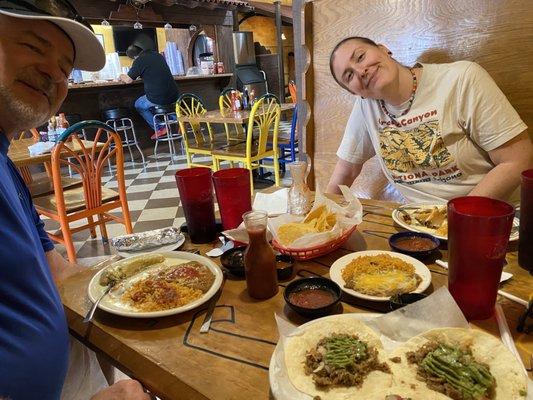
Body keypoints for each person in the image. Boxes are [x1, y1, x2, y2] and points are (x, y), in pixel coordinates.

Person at [0, 1, 150, 399]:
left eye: (66, 68)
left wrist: (132, 282)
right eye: (33, 46)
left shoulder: (6, 166)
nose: (53, 73)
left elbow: (52, 265)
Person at [326, 36, 533, 204]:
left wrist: (457, 219)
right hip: (419, 228)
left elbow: (517, 160)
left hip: (491, 220)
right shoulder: (366, 106)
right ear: (355, 93)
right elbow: (347, 171)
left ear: (383, 49)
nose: (361, 71)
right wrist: (320, 215)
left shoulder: (462, 79)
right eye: (349, 76)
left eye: (361, 57)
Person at [118, 44, 179, 138]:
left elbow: (128, 80)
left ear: (134, 57)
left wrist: (121, 76)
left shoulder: (139, 60)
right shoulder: (157, 55)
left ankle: (160, 128)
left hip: (159, 97)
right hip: (174, 95)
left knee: (139, 104)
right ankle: (179, 120)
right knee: (167, 106)